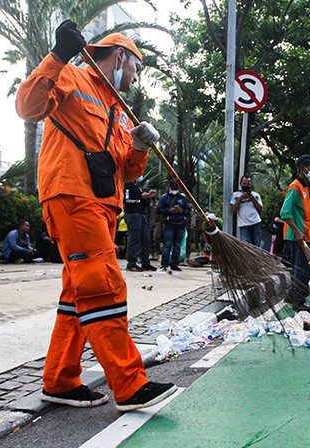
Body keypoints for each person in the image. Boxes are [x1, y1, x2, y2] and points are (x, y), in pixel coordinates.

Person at [16, 21, 176, 411]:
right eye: (136, 69)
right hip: (72, 195)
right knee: (104, 285)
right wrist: (57, 56)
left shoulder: (120, 110)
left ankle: (60, 380)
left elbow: (128, 169)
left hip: (103, 205)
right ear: (120, 56)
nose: (135, 80)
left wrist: (139, 147)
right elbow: (28, 107)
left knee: (77, 294)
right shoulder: (71, 74)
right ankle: (129, 384)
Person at [281, 154, 310, 312]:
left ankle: (293, 294)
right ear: (303, 168)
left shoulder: (306, 187)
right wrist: (298, 232)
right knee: (303, 270)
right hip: (297, 237)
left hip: (307, 236)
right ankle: (299, 301)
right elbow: (285, 213)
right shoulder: (295, 187)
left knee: (308, 269)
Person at [123, 178, 158, 272]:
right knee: (134, 238)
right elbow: (127, 200)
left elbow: (144, 202)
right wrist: (140, 198)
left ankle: (145, 262)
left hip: (141, 214)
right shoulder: (127, 185)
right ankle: (131, 263)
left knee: (146, 238)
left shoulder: (138, 187)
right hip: (132, 214)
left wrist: (149, 197)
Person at [157, 179, 191, 272]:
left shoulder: (182, 198)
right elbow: (159, 210)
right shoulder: (164, 198)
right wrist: (169, 211)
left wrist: (181, 211)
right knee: (167, 244)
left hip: (180, 224)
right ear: (169, 188)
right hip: (169, 224)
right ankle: (164, 264)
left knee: (177, 245)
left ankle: (174, 264)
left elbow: (188, 211)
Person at [230, 175, 264, 246]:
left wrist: (252, 199)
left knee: (257, 245)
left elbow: (261, 209)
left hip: (256, 223)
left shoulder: (256, 195)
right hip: (243, 225)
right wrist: (240, 199)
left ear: (251, 184)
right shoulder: (235, 195)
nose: (246, 185)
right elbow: (233, 210)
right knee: (246, 246)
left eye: (248, 184)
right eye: (244, 184)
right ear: (240, 183)